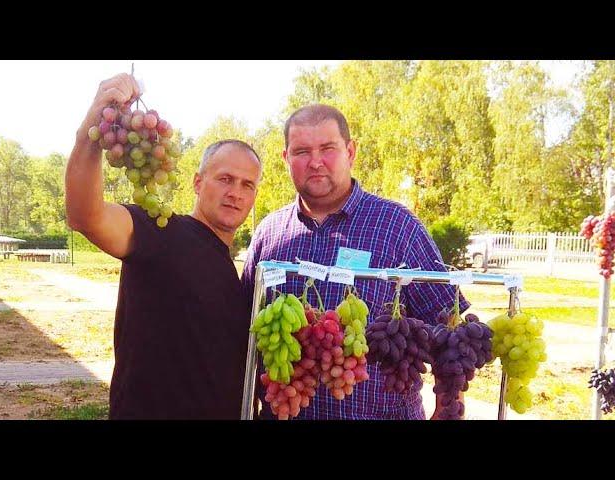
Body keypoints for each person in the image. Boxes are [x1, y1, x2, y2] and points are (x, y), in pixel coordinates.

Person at [241, 104, 470, 420]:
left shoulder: (398, 226)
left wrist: (447, 411)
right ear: (286, 159)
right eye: (302, 151)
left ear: (350, 151)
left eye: (328, 148)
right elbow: (245, 332)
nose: (316, 161)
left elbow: (448, 323)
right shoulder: (269, 234)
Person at [66, 73, 262, 419]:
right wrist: (91, 130)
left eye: (247, 185)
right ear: (198, 183)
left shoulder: (234, 275)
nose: (236, 193)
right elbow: (86, 215)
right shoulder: (161, 232)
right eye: (225, 179)